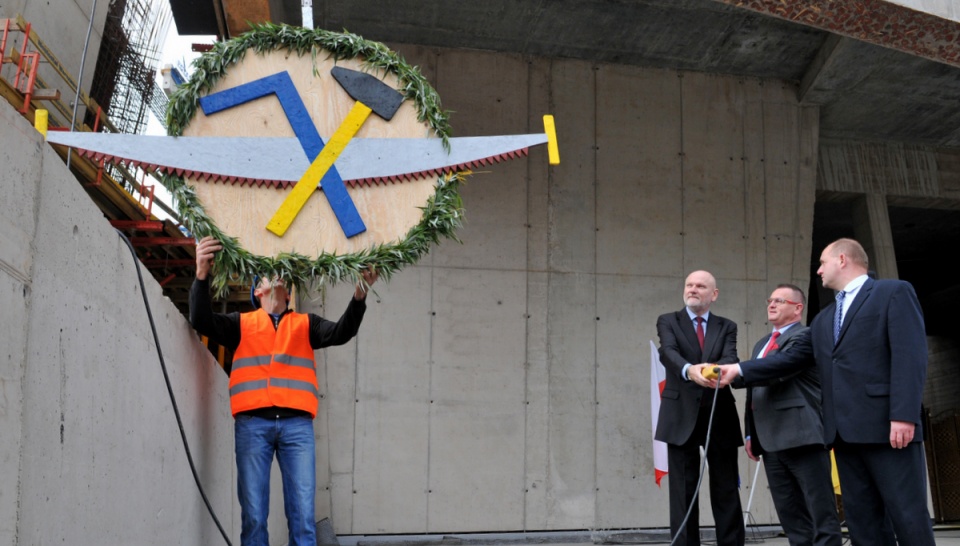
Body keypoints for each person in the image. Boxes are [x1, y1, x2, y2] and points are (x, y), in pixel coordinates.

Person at [708, 239, 934, 546]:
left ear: (842, 259)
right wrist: (739, 370)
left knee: (906, 514)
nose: (818, 270)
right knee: (862, 520)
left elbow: (911, 356)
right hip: (843, 434)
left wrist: (904, 415)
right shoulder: (825, 317)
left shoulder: (892, 292)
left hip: (889, 428)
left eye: (822, 262)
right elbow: (792, 360)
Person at [190, 235, 378, 546]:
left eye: (282, 275)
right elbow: (200, 320)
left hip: (297, 427)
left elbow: (343, 332)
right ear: (258, 291)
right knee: (253, 519)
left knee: (303, 520)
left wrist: (360, 295)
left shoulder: (306, 324)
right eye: (268, 273)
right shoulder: (241, 324)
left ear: (288, 293)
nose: (277, 275)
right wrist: (201, 274)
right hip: (253, 425)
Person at [693, 284, 841, 546]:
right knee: (791, 516)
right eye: (770, 300)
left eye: (780, 301)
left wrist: (736, 369)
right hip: (769, 442)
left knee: (820, 513)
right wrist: (751, 432)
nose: (772, 305)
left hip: (802, 437)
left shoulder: (805, 337)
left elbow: (779, 366)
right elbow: (754, 388)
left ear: (798, 308)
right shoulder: (763, 343)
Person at [655, 270, 745, 546]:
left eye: (700, 286)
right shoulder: (668, 320)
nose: (693, 289)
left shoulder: (727, 325)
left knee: (726, 488)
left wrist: (711, 372)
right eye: (689, 284)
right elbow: (668, 352)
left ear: (714, 294)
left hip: (719, 411)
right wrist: (689, 370)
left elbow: (730, 356)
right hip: (679, 413)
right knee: (682, 490)